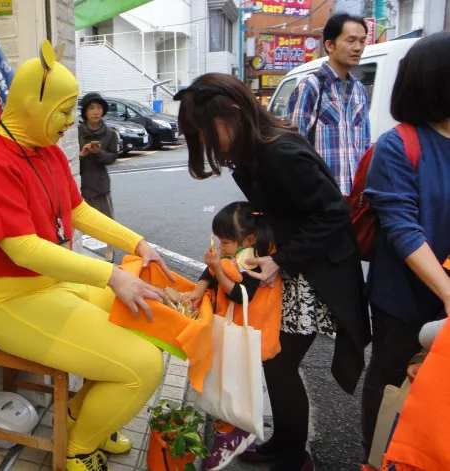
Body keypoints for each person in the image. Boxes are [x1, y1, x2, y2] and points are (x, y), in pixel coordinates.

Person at [0, 40, 175, 471]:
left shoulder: (45, 150)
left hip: (54, 288)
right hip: (11, 303)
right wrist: (111, 276)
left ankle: (84, 414)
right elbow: (22, 248)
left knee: (147, 320)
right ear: (33, 104)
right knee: (142, 366)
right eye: (64, 109)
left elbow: (76, 210)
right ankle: (78, 449)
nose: (71, 120)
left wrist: (137, 243)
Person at [174, 73, 370, 471]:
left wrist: (281, 259)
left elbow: (334, 213)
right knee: (275, 363)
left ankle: (294, 456)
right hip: (298, 266)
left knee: (277, 364)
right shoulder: (256, 153)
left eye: (207, 132)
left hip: (314, 274)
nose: (207, 144)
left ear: (233, 113)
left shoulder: (279, 153)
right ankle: (285, 443)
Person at [361, 32, 450, 464]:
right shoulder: (398, 145)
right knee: (393, 378)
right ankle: (379, 457)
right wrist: (448, 293)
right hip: (405, 297)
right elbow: (402, 227)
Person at [185, 202, 279, 471]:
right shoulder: (239, 252)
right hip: (234, 330)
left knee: (233, 384)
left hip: (245, 334)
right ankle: (243, 435)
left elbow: (240, 295)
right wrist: (201, 285)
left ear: (248, 239)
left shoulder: (252, 260)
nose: (220, 246)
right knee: (236, 384)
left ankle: (230, 434)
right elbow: (216, 268)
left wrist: (216, 270)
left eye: (225, 241)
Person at [287, 13, 371, 195]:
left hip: (355, 199)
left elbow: (365, 146)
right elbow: (293, 148)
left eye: (362, 41)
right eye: (351, 40)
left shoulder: (360, 90)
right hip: (322, 199)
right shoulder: (311, 86)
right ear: (329, 45)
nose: (358, 47)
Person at [78, 92, 119, 262]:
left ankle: (110, 250)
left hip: (100, 182)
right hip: (80, 180)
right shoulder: (77, 131)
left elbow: (112, 158)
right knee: (78, 219)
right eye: (91, 107)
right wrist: (82, 153)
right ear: (85, 112)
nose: (96, 111)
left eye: (99, 107)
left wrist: (99, 152)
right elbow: (70, 157)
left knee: (107, 219)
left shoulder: (110, 134)